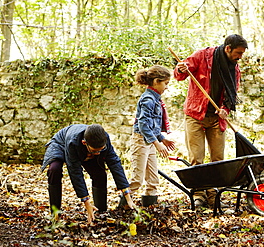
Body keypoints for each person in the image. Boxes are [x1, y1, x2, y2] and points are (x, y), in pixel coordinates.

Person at [173, 34, 248, 208]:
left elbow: (232, 94)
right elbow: (180, 74)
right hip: (195, 115)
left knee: (218, 160)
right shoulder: (203, 56)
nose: (240, 57)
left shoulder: (234, 69)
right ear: (228, 48)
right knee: (196, 159)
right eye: (238, 53)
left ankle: (214, 196)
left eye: (242, 54)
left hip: (216, 119)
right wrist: (180, 69)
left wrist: (225, 109)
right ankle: (199, 195)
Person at [41, 124, 134, 224]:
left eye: (101, 149)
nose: (99, 153)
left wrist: (127, 195)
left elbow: (114, 163)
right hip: (60, 145)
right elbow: (75, 172)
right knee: (54, 170)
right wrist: (86, 203)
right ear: (84, 143)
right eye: (96, 150)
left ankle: (100, 211)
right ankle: (55, 213)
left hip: (86, 151)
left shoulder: (104, 138)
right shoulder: (73, 142)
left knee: (100, 174)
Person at [128, 65, 176, 207]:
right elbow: (143, 125)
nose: (166, 87)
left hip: (150, 141)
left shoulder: (155, 99)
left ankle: (150, 207)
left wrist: (162, 138)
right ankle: (124, 207)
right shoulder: (148, 99)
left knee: (153, 178)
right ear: (156, 81)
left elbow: (152, 125)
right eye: (165, 83)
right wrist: (157, 142)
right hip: (141, 141)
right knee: (137, 179)